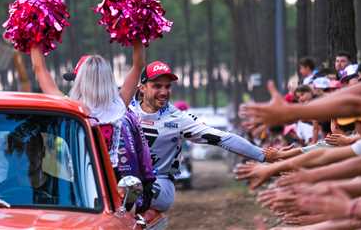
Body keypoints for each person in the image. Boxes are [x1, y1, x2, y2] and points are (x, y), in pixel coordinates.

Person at [30, 42, 156, 212]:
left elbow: (40, 70)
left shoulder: (69, 108)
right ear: (108, 79)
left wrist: (34, 37)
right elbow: (138, 65)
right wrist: (137, 33)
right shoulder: (119, 105)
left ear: (80, 79)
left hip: (79, 180)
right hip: (112, 179)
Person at [129, 60, 268, 211]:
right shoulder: (125, 112)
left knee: (131, 192)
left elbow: (222, 137)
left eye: (167, 86)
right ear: (142, 88)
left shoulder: (178, 119)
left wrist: (264, 155)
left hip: (160, 182)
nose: (164, 92)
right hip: (128, 178)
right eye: (157, 86)